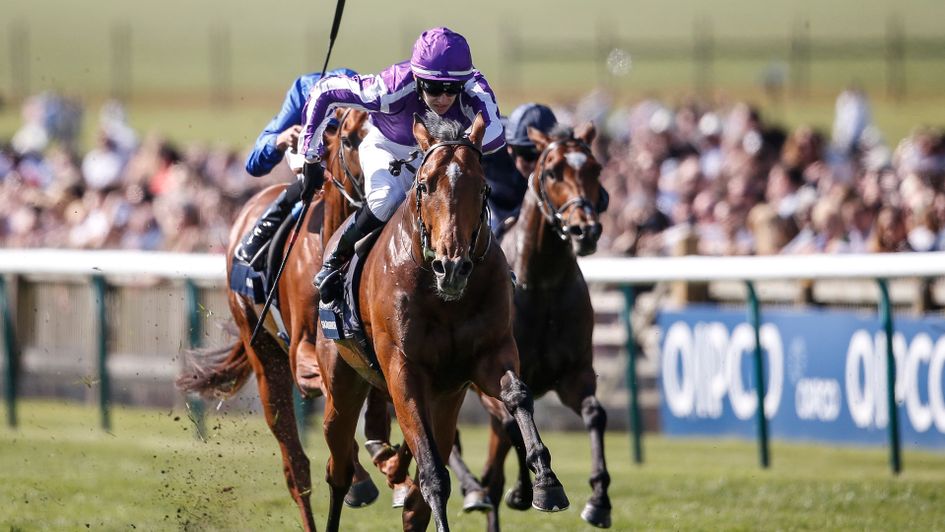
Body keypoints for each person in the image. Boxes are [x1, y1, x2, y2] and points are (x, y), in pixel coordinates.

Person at [298, 27, 504, 302]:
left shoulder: (473, 86)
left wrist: (457, 147)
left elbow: (495, 134)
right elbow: (324, 91)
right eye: (433, 88)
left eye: (451, 89)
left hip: (444, 151)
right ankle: (337, 258)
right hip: (388, 146)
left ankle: (499, 272)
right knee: (387, 199)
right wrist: (311, 157)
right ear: (417, 79)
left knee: (464, 200)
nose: (443, 99)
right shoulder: (391, 87)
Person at [235, 67, 358, 267]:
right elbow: (254, 164)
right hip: (312, 164)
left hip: (352, 169)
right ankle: (265, 228)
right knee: (311, 173)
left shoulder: (363, 94)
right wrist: (280, 140)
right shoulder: (303, 89)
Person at [486, 102, 610, 237]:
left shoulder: (559, 161)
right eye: (528, 155)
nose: (535, 164)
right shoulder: (489, 147)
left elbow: (601, 199)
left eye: (542, 154)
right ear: (510, 149)